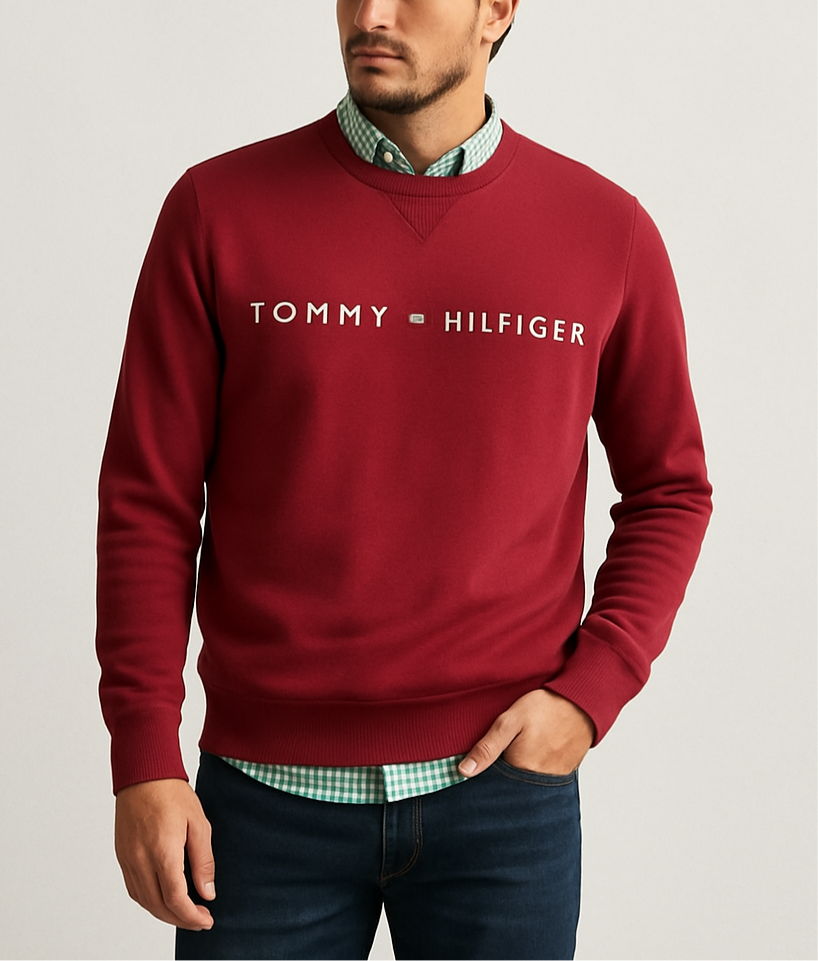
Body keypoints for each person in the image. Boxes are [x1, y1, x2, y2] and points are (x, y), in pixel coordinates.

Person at [96, 1, 712, 958]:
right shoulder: (218, 208)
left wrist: (594, 689)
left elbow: (671, 487)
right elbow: (148, 499)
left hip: (503, 799)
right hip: (259, 803)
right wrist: (143, 753)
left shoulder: (606, 230)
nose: (372, 14)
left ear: (496, 10)